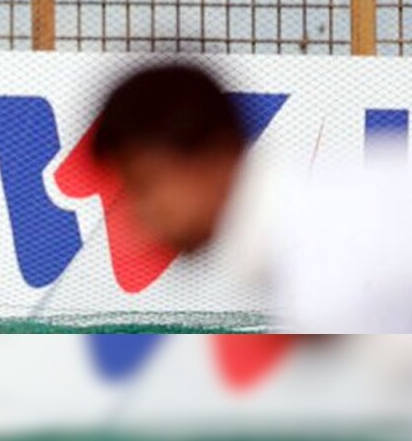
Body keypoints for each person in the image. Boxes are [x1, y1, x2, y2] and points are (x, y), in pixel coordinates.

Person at [92, 62, 412, 332]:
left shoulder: (323, 256)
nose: (138, 219)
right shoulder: (296, 236)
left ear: (214, 156)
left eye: (145, 186)